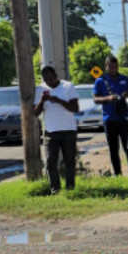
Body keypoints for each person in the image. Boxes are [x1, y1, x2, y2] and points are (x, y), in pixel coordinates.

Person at [34, 66, 80, 195]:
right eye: (46, 79)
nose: (49, 81)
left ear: (56, 75)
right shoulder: (40, 89)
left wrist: (59, 101)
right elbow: (36, 112)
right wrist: (42, 101)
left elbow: (75, 108)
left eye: (51, 78)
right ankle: (55, 189)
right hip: (51, 131)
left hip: (68, 130)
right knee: (50, 162)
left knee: (69, 161)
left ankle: (70, 188)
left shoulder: (68, 86)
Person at [93, 55, 128, 176]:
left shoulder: (125, 79)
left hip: (124, 118)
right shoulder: (100, 81)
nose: (114, 69)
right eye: (111, 67)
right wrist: (107, 98)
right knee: (113, 148)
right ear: (106, 66)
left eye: (116, 67)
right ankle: (118, 174)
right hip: (109, 119)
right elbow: (95, 99)